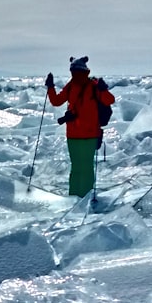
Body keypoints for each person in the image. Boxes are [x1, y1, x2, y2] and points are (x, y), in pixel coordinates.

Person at [45, 56, 115, 198]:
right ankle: (76, 196)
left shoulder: (94, 85)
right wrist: (50, 87)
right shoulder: (71, 86)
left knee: (82, 167)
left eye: (77, 71)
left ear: (84, 71)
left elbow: (109, 100)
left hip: (86, 134)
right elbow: (57, 101)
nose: (75, 74)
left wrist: (103, 89)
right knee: (80, 167)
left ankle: (83, 196)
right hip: (76, 134)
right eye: (73, 72)